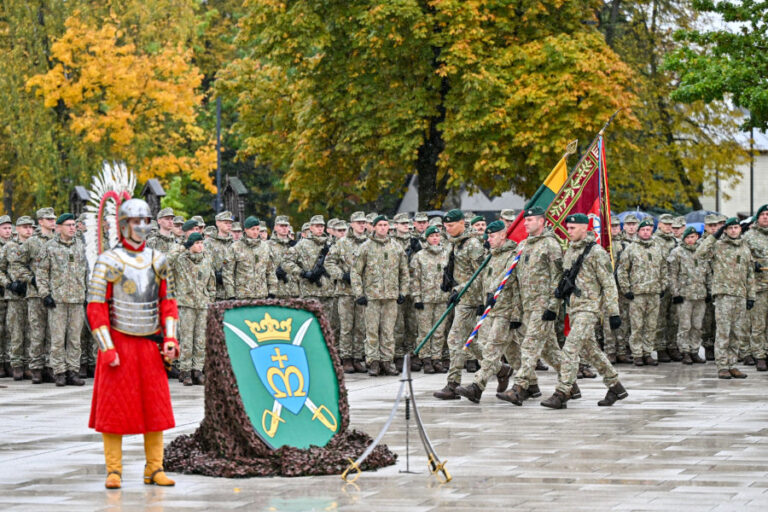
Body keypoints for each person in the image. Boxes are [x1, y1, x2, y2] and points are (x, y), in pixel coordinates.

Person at [87, 198, 180, 489]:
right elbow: (96, 307)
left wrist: (171, 338)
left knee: (156, 409)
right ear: (124, 225)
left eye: (145, 221)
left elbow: (168, 302)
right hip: (120, 342)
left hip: (149, 345)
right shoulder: (108, 261)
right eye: (135, 222)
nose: (141, 227)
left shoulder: (158, 259)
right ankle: (114, 471)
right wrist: (107, 347)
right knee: (114, 410)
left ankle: (155, 468)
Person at [539, 214, 627, 409]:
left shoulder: (596, 252)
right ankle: (615, 385)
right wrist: (553, 307)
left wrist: (613, 312)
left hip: (589, 309)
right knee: (591, 351)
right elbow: (564, 282)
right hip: (574, 308)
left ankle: (563, 392)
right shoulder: (570, 251)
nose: (568, 232)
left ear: (584, 228)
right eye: (567, 228)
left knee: (570, 348)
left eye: (572, 228)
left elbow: (609, 283)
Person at [497, 206, 564, 406]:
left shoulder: (551, 245)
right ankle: (570, 383)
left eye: (530, 220)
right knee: (549, 351)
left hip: (543, 306)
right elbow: (513, 277)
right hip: (527, 306)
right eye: (525, 220)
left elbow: (558, 277)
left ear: (541, 221)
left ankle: (519, 388)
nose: (525, 223)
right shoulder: (523, 245)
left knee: (529, 346)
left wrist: (553, 306)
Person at [455, 221, 521, 402]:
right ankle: (530, 384)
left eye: (492, 236)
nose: (488, 239)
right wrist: (459, 290)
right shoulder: (491, 256)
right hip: (492, 310)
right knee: (514, 354)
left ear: (502, 235)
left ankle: (477, 386)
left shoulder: (512, 256)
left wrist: (515, 314)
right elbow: (479, 281)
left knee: (491, 349)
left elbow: (515, 286)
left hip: (506, 311)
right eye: (488, 236)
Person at [433, 209, 487, 399]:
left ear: (462, 223)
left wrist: (461, 288)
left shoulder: (472, 244)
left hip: (470, 299)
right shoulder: (455, 243)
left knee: (454, 339)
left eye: (451, 225)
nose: (447, 229)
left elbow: (481, 273)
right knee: (467, 341)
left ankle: (453, 384)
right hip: (461, 297)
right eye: (446, 226)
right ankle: (498, 367)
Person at [696, 217, 755, 379]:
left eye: (736, 227)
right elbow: (699, 253)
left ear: (740, 229)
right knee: (723, 332)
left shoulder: (745, 248)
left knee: (737, 333)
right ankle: (722, 366)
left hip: (740, 295)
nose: (734, 230)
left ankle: (732, 364)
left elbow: (749, 273)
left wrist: (751, 295)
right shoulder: (718, 246)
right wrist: (715, 236)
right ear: (726, 230)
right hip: (724, 296)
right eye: (730, 228)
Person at [351, 215, 409, 376]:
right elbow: (355, 272)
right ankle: (373, 361)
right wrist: (359, 293)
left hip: (390, 296)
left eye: (386, 225)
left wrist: (403, 292)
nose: (383, 228)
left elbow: (404, 272)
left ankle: (387, 361)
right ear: (374, 227)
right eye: (380, 225)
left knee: (388, 331)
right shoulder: (365, 247)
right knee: (371, 331)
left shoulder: (396, 247)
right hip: (371, 297)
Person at [36, 213, 88, 386]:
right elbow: (42, 272)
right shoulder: (49, 247)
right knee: (57, 339)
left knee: (75, 339)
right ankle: (59, 372)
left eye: (74, 224)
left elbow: (86, 271)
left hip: (77, 299)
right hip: (57, 300)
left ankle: (73, 371)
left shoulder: (80, 246)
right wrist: (45, 294)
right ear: (59, 228)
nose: (72, 227)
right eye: (68, 225)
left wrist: (88, 294)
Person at [617, 217, 667, 366]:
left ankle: (647, 352)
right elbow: (622, 270)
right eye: (643, 230)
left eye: (648, 230)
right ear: (638, 232)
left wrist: (663, 286)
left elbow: (664, 268)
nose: (646, 232)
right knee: (637, 325)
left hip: (654, 292)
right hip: (637, 293)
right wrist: (626, 289)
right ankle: (637, 353)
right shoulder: (631, 248)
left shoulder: (657, 247)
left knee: (651, 325)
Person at [325, 211, 368, 373]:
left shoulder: (369, 242)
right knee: (346, 326)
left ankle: (358, 358)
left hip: (363, 291)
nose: (362, 225)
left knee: (360, 327)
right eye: (358, 222)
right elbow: (328, 262)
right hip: (345, 290)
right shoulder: (342, 243)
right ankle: (346, 358)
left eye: (363, 222)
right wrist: (341, 275)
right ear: (351, 224)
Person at [172, 232, 215, 386]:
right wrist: (182, 247)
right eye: (197, 243)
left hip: (202, 302)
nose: (200, 246)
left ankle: (198, 369)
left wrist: (211, 298)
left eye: (201, 243)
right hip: (186, 303)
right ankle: (185, 370)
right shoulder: (181, 260)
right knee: (186, 338)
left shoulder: (207, 259)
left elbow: (211, 281)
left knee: (200, 338)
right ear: (190, 245)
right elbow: (168, 259)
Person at [409, 225, 451, 374]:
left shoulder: (447, 254)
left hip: (442, 298)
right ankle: (425, 359)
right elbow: (414, 279)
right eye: (432, 236)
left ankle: (436, 359)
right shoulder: (419, 256)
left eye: (437, 236)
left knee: (439, 331)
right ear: (426, 238)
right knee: (425, 331)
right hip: (425, 299)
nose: (435, 238)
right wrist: (417, 297)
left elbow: (451, 276)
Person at [668, 227, 707, 364]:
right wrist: (675, 293)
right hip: (684, 295)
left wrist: (708, 290)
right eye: (688, 237)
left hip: (700, 294)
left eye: (693, 237)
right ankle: (685, 351)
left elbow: (707, 272)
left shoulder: (702, 252)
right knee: (685, 325)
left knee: (697, 325)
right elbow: (672, 275)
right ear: (684, 238)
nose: (691, 240)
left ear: (697, 237)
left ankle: (695, 350)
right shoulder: (677, 252)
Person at [2, 216, 35, 380]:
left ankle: (30, 365)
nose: (28, 230)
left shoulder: (36, 246)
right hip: (15, 295)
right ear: (18, 229)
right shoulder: (9, 247)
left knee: (32, 332)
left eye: (31, 227)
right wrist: (8, 284)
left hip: (32, 294)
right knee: (15, 331)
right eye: (25, 227)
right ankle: (16, 365)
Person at [225, 216, 277, 300]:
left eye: (257, 229)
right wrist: (231, 295)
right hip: (242, 296)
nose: (255, 232)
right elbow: (228, 272)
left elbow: (270, 271)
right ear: (245, 230)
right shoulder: (235, 247)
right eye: (252, 229)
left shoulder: (265, 247)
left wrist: (272, 292)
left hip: (262, 295)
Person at [742, 203, 768, 371]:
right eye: (763, 214)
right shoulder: (749, 236)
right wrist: (754, 264)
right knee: (758, 323)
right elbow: (742, 258)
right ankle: (759, 355)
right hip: (759, 286)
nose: (766, 217)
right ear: (758, 218)